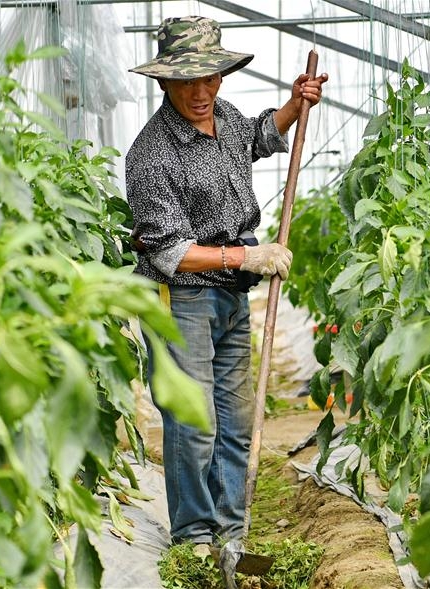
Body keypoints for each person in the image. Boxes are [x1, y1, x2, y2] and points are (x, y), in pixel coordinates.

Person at [126, 15, 328, 548]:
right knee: (194, 424)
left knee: (236, 421)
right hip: (183, 300)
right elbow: (170, 252)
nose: (201, 91)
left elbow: (259, 136)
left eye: (210, 78)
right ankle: (195, 535)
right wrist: (247, 256)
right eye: (188, 81)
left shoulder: (224, 117)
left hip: (232, 297)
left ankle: (230, 532)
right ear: (165, 82)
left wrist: (295, 104)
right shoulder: (150, 155)